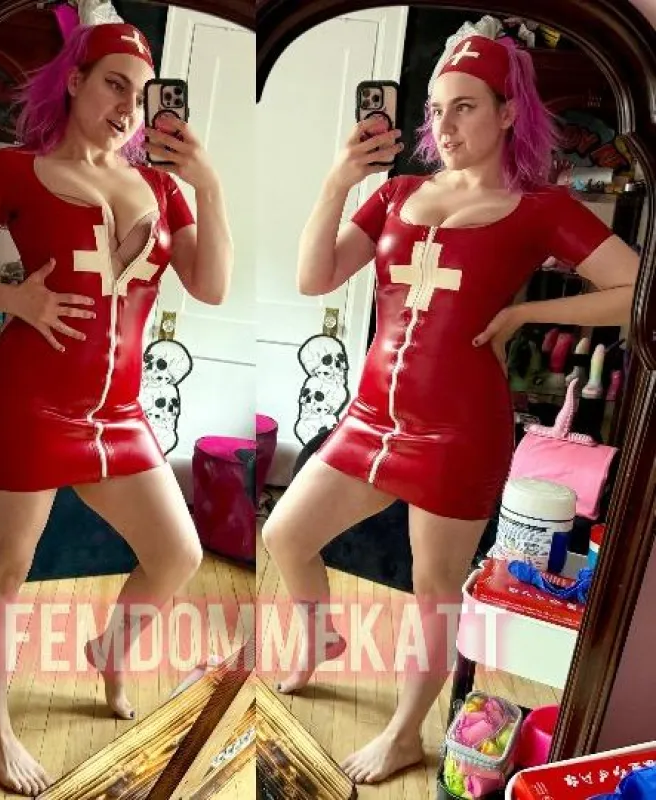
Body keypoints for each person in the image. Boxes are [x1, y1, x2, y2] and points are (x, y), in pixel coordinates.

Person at [262, 30, 638, 785]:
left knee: (432, 592)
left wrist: (527, 315)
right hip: (370, 418)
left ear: (508, 112)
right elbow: (315, 277)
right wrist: (338, 180)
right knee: (285, 534)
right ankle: (319, 640)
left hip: (457, 430)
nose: (445, 125)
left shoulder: (539, 208)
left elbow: (638, 290)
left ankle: (406, 734)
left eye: (464, 107)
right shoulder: (397, 194)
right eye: (436, 110)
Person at [0, 19, 233, 796]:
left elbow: (211, 286)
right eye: (114, 84)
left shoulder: (162, 188)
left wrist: (209, 185)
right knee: (7, 573)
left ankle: (109, 655)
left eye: (141, 94)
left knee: (178, 555)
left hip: (118, 413)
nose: (128, 106)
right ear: (75, 81)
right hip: (28, 402)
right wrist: (15, 300)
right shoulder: (14, 170)